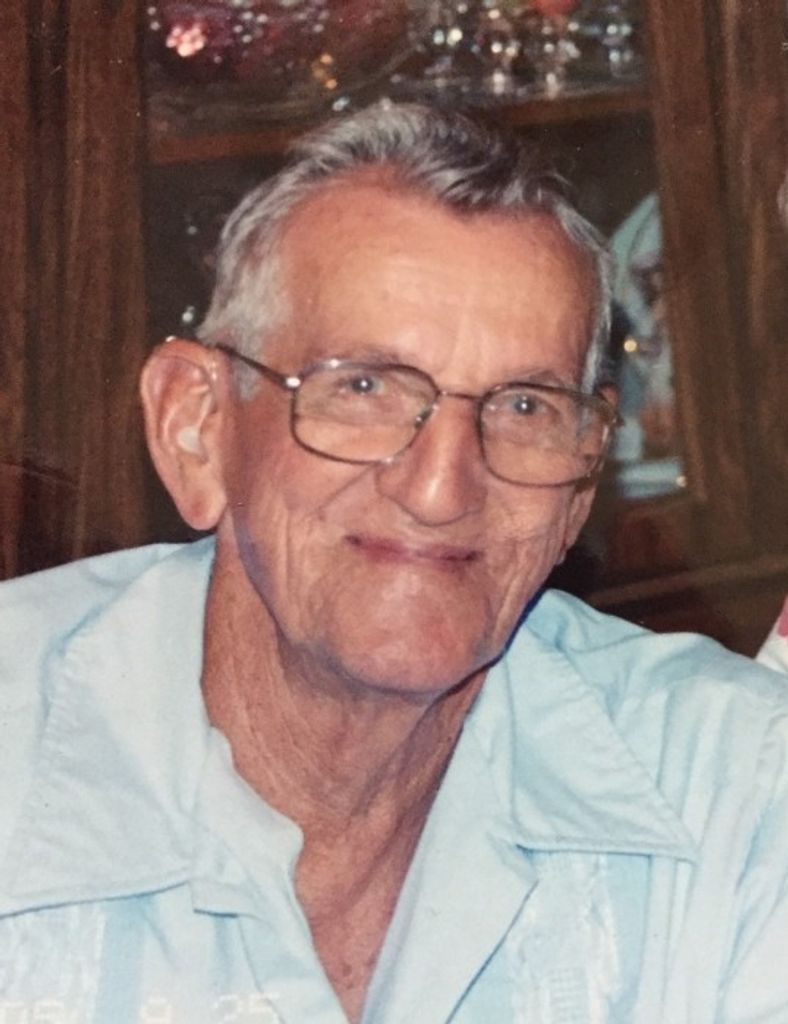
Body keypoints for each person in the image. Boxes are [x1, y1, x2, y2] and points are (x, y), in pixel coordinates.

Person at [1, 103, 787, 1024]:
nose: (440, 489)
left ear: (582, 482)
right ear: (197, 428)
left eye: (525, 408)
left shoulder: (735, 790)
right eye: (364, 387)